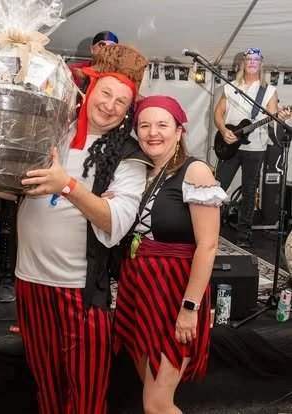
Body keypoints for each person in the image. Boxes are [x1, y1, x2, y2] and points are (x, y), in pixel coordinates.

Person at [0, 43, 150, 414]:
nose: (111, 105)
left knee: (84, 397)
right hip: (30, 281)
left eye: (122, 101)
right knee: (46, 389)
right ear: (90, 89)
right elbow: (32, 189)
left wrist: (66, 184)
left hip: (79, 293)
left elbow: (115, 223)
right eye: (106, 93)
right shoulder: (55, 130)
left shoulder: (129, 158)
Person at [113, 96, 227, 414]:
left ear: (179, 131)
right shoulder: (139, 172)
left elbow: (208, 246)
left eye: (162, 125)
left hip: (174, 290)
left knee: (156, 404)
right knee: (150, 389)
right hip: (139, 289)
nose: (153, 132)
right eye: (144, 125)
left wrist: (190, 307)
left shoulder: (196, 172)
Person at [214, 47, 291, 247]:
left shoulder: (269, 91)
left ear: (261, 64)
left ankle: (243, 237)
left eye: (256, 60)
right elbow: (218, 113)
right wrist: (223, 131)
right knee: (217, 187)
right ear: (243, 63)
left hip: (255, 148)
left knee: (249, 192)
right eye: (249, 59)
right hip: (229, 144)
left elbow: (273, 117)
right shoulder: (231, 87)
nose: (252, 62)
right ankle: (208, 228)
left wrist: (280, 118)